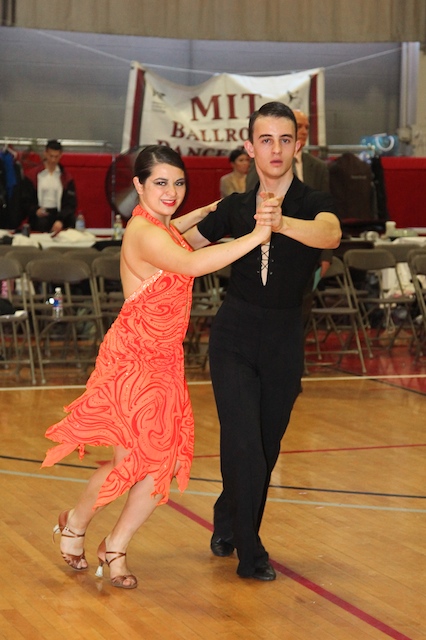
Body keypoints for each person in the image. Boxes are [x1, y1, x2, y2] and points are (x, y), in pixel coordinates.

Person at [41, 144, 274, 590]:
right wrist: (255, 237)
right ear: (139, 185)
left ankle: (115, 546)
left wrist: (202, 212)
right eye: (161, 183)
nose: (172, 192)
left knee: (159, 464)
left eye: (179, 183)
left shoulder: (157, 225)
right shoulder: (144, 233)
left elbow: (175, 233)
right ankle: (75, 522)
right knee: (128, 462)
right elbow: (189, 262)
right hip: (132, 360)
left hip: (165, 361)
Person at [183, 102, 341, 581]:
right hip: (234, 335)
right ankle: (250, 553)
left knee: (265, 446)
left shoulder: (312, 202)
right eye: (265, 140)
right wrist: (198, 212)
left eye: (285, 140)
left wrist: (279, 222)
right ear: (250, 148)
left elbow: (331, 235)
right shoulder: (234, 206)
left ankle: (228, 515)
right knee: (243, 444)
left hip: (283, 339)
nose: (276, 149)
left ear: (297, 146)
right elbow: (181, 244)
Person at [246, 109, 329, 193]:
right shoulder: (262, 161)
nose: (304, 132)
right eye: (299, 126)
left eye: (307, 128)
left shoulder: (319, 166)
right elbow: (251, 192)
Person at [22, 139, 77, 233]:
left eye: (56, 157)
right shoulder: (33, 176)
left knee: (71, 220)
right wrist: (35, 210)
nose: (53, 160)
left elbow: (70, 203)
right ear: (45, 154)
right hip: (40, 213)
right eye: (51, 156)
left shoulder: (66, 178)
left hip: (59, 213)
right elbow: (25, 200)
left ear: (61, 155)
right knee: (41, 222)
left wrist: (60, 220)